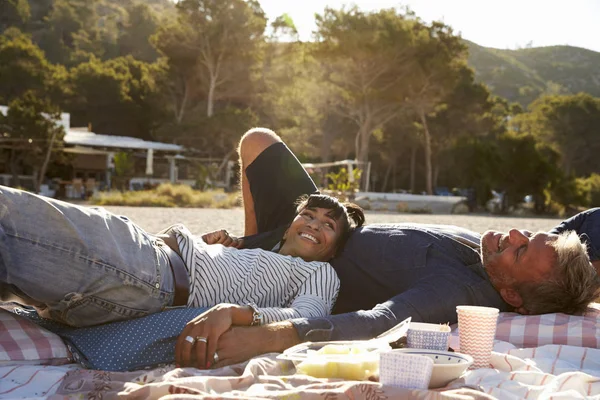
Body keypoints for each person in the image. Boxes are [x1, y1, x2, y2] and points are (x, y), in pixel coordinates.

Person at [200, 127, 600, 369]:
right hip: (316, 226)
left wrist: (269, 337)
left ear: (512, 295)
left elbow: (378, 323)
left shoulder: (456, 290)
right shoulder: (493, 260)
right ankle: (254, 240)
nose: (513, 234)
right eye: (526, 237)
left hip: (307, 251)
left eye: (519, 251)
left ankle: (254, 256)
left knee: (257, 146)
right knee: (257, 141)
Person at [0, 184, 364, 368]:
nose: (314, 224)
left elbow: (306, 317)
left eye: (328, 225)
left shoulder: (320, 271)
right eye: (309, 215)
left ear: (333, 249)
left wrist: (235, 312)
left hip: (145, 272)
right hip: (142, 261)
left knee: (9, 218)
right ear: (289, 227)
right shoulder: (256, 254)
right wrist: (213, 249)